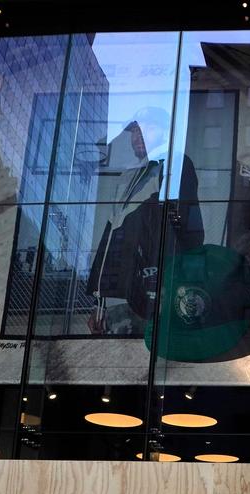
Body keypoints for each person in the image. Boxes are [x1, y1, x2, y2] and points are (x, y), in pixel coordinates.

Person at [86, 106, 204, 336]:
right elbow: (110, 240)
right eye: (134, 130)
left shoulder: (174, 164)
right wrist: (98, 304)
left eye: (148, 127)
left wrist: (170, 286)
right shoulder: (129, 176)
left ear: (165, 132)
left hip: (149, 293)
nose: (138, 135)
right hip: (119, 294)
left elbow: (185, 230)